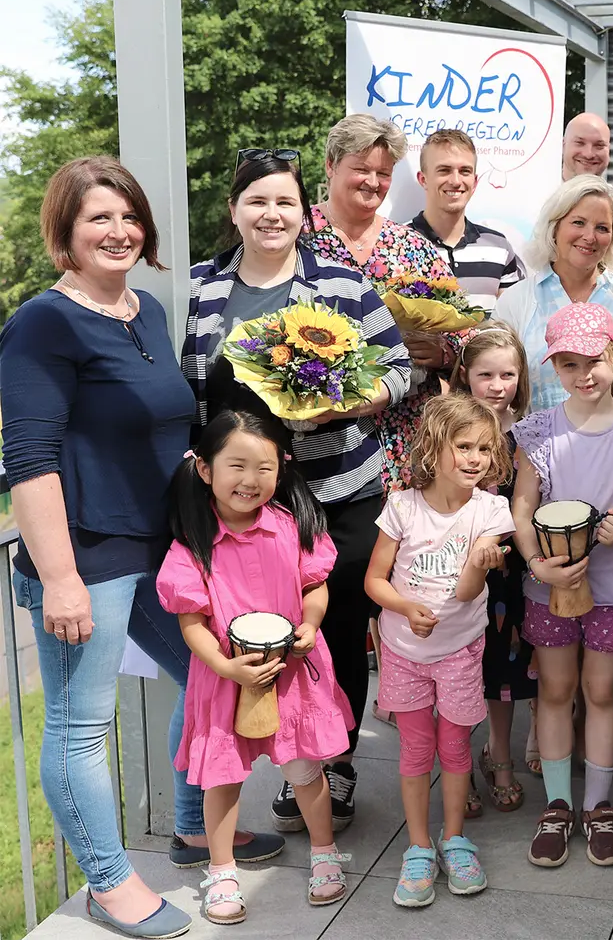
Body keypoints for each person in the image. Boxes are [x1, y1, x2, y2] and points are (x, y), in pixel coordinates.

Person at [0, 158, 202, 939]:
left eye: (129, 217)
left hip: (158, 546)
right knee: (81, 726)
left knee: (203, 674)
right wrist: (59, 578)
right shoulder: (43, 323)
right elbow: (29, 458)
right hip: (87, 556)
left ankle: (189, 824)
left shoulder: (145, 309)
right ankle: (108, 882)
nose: (119, 232)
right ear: (65, 233)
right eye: (98, 220)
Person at [183, 151, 411, 834]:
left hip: (337, 489)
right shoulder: (201, 286)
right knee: (247, 624)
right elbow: (189, 388)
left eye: (283, 201)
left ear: (303, 211)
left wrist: (348, 401)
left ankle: (331, 763)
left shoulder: (340, 284)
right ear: (234, 210)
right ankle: (258, 751)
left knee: (334, 628)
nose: (270, 214)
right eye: (256, 201)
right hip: (242, 499)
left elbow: (399, 370)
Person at [157, 411, 354, 924]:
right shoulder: (191, 547)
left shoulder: (290, 527)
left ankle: (325, 853)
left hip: (292, 676)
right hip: (227, 679)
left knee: (306, 769)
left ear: (281, 470)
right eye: (237, 466)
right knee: (221, 779)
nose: (251, 480)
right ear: (204, 469)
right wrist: (227, 666)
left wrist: (311, 624)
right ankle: (221, 871)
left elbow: (315, 584)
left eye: (264, 469)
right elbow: (191, 622)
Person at [511, 303, 613, 869]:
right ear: (554, 368)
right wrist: (536, 562)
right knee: (555, 692)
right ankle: (557, 803)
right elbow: (524, 504)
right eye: (569, 364)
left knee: (602, 694)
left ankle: (598, 805)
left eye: (594, 361)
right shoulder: (539, 432)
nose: (584, 375)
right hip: (549, 588)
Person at [364, 395, 515, 908]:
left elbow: (470, 592)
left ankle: (455, 840)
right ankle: (419, 847)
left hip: (460, 651)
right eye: (464, 446)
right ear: (434, 447)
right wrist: (407, 608)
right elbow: (374, 582)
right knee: (414, 749)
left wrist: (482, 560)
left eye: (485, 448)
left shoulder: (492, 509)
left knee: (454, 749)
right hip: (405, 651)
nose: (475, 458)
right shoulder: (402, 506)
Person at [306, 115, 469, 490]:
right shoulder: (299, 239)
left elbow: (466, 330)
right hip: (325, 445)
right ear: (330, 166)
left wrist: (444, 353)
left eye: (383, 173)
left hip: (407, 440)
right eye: (360, 169)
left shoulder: (413, 248)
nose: (373, 182)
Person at [495, 175, 613, 422]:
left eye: (602, 228)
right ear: (554, 227)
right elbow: (495, 387)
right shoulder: (516, 301)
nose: (590, 236)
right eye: (578, 222)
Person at [448, 322, 536, 807]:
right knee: (456, 668)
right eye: (486, 375)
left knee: (501, 668)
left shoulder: (528, 432)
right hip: (453, 565)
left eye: (508, 374)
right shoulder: (448, 425)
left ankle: (498, 755)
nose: (498, 386)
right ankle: (457, 763)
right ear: (466, 375)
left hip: (507, 570)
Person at [408, 128, 523, 315]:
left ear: (475, 181)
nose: (455, 181)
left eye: (465, 171)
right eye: (444, 170)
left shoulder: (499, 247)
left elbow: (512, 323)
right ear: (423, 179)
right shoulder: (397, 244)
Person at [561, 112, 611, 180]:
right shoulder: (543, 189)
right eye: (580, 143)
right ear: (563, 145)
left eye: (599, 145)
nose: (588, 155)